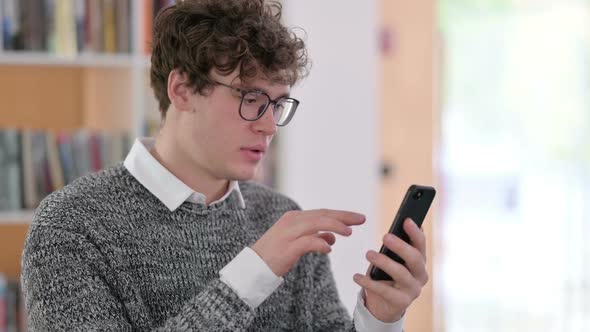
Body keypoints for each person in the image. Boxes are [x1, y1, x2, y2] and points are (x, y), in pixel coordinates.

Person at [21, 0, 429, 331]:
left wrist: (379, 317)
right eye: (251, 99)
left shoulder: (280, 217)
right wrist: (251, 274)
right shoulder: (70, 226)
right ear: (181, 90)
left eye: (278, 103)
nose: (270, 125)